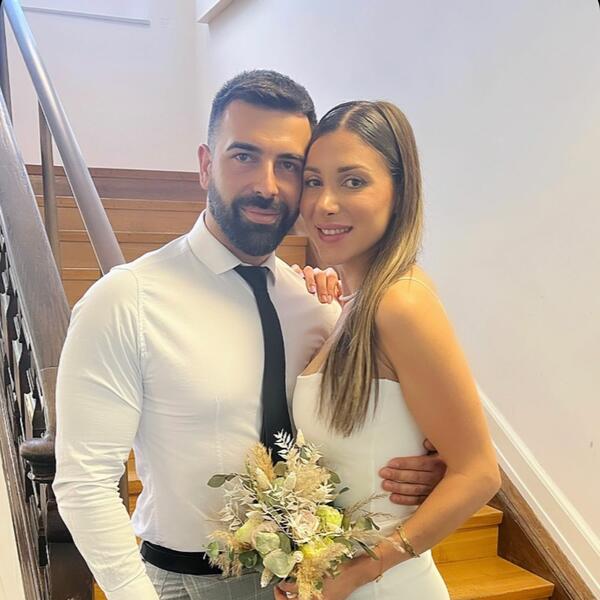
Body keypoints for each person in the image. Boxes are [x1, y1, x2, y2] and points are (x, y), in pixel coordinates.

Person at [53, 71, 445, 600]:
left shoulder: (319, 304)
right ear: (204, 164)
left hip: (315, 578)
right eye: (244, 156)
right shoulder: (126, 301)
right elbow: (84, 482)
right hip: (190, 582)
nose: (267, 185)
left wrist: (429, 462)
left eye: (289, 165)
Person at [272, 100, 501, 600]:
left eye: (353, 181)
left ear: (399, 193)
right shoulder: (354, 304)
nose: (325, 204)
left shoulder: (401, 302)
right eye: (313, 181)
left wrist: (358, 572)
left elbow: (479, 473)